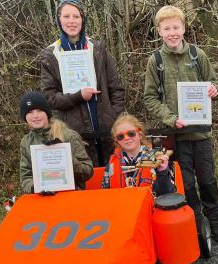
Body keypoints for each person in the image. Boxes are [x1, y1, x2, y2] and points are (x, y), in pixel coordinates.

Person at [142, 5, 218, 243]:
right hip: (175, 135)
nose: (172, 32)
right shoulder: (155, 60)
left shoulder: (197, 55)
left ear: (184, 28)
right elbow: (149, 97)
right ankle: (196, 226)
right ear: (159, 31)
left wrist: (214, 89)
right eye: (166, 28)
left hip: (201, 134)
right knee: (186, 184)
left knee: (208, 180)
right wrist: (170, 118)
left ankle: (216, 221)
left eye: (176, 27)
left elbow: (216, 83)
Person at [40, 0, 126, 167]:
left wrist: (113, 116)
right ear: (59, 20)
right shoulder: (50, 55)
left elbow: (116, 88)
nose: (71, 21)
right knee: (88, 182)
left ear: (82, 19)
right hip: (74, 132)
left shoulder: (98, 48)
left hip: (105, 127)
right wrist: (78, 96)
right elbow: (50, 98)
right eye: (66, 16)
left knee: (113, 178)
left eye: (76, 16)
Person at [18, 91, 93, 194]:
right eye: (30, 112)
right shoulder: (26, 142)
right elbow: (26, 176)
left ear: (47, 113)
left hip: (72, 195)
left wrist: (66, 158)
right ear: (25, 117)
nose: (35, 116)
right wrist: (35, 188)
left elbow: (88, 171)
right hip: (43, 199)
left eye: (39, 111)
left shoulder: (69, 136)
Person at [102, 113, 175, 196]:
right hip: (121, 207)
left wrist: (163, 172)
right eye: (120, 136)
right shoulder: (112, 163)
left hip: (150, 207)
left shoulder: (158, 158)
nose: (126, 138)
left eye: (131, 133)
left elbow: (169, 195)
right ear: (117, 140)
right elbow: (105, 194)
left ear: (140, 134)